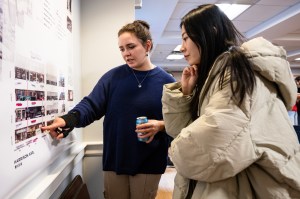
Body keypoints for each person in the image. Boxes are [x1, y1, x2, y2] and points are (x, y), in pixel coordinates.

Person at [161, 4, 300, 199]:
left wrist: (174, 150)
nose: (182, 47)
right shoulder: (215, 74)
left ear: (210, 32)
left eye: (185, 38)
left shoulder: (238, 72)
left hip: (250, 184)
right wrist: (185, 94)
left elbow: (213, 142)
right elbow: (181, 131)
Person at [42, 20, 175, 199]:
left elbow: (179, 121)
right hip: (116, 160)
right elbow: (91, 105)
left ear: (147, 45)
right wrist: (68, 119)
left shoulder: (167, 82)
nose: (126, 54)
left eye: (131, 47)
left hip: (148, 161)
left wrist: (160, 125)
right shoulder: (113, 77)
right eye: (122, 49)